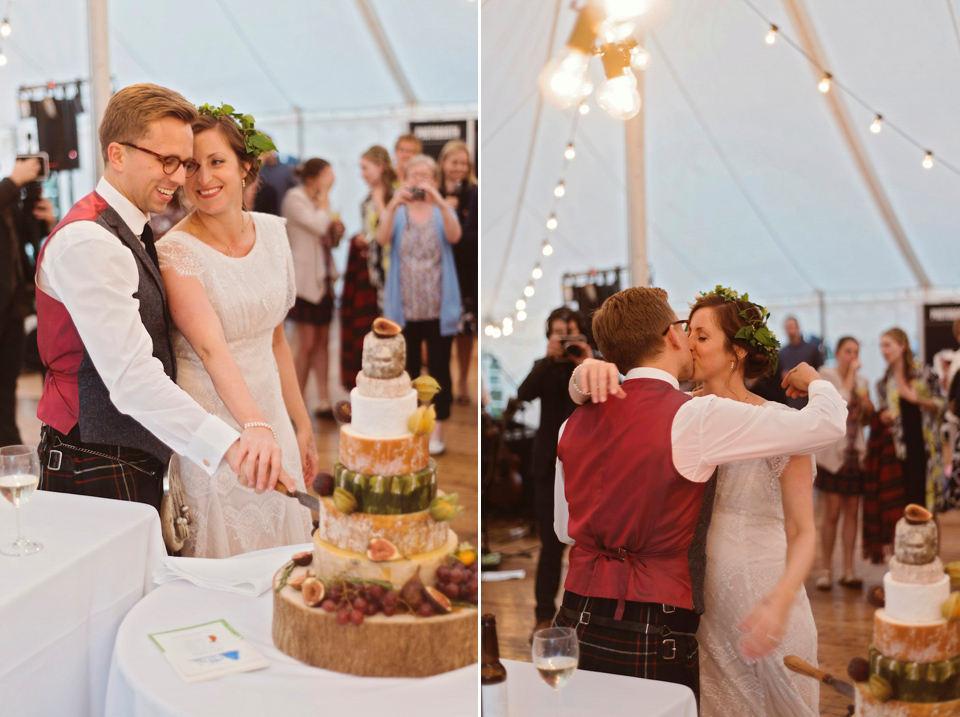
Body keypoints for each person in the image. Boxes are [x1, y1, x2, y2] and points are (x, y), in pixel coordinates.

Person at [554, 287, 846, 706]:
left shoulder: (765, 422)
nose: (689, 342)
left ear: (737, 352)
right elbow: (636, 394)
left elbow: (803, 530)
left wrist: (779, 602)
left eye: (702, 335)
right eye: (686, 331)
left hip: (762, 596)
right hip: (697, 608)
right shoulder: (686, 412)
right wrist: (586, 373)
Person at [35, 84, 285, 512]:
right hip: (91, 456)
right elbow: (132, 380)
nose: (178, 177)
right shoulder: (88, 241)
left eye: (183, 163)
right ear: (117, 155)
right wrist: (231, 446)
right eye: (166, 161)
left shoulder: (132, 225)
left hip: (133, 452)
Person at [154, 104, 316, 557]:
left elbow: (277, 341)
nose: (203, 178)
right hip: (214, 427)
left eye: (216, 161)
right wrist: (253, 428)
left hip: (270, 417)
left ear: (245, 166)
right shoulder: (175, 253)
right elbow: (210, 349)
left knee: (285, 563)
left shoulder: (274, 233)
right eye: (191, 165)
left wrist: (299, 425)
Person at [377, 154, 461, 455]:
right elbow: (381, 237)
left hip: (439, 306)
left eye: (426, 176)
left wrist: (439, 200)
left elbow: (456, 235)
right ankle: (410, 425)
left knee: (439, 370)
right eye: (414, 175)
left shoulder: (442, 210)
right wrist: (391, 204)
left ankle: (437, 429)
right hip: (405, 307)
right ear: (405, 179)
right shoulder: (398, 211)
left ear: (435, 180)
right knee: (408, 370)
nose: (419, 181)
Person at [515, 307, 591, 640]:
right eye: (558, 333)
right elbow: (523, 394)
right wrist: (547, 360)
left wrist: (585, 362)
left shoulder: (590, 368)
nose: (564, 340)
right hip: (548, 466)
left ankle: (580, 616)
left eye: (570, 333)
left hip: (585, 465)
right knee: (549, 545)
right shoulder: (542, 368)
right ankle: (543, 615)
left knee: (585, 546)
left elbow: (613, 397)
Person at [282, 158, 345, 418]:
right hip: (305, 281)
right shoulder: (294, 198)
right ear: (312, 178)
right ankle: (295, 405)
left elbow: (328, 237)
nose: (331, 182)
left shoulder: (318, 200)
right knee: (306, 343)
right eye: (327, 177)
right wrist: (326, 202)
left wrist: (337, 230)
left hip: (325, 280)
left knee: (322, 341)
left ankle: (323, 399)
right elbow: (318, 224)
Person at [0, 157, 55, 445]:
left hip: (11, 308)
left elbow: (15, 239)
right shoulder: (5, 188)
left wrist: (45, 223)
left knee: (6, 392)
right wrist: (12, 182)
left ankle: (9, 457)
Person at [814, 336, 873, 591]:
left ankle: (849, 570)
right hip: (831, 455)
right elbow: (841, 404)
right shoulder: (825, 375)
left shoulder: (863, 382)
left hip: (853, 455)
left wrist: (869, 405)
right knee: (831, 514)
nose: (852, 356)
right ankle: (826, 570)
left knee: (852, 514)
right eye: (848, 351)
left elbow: (866, 419)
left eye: (856, 352)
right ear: (837, 353)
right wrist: (851, 376)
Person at [876, 328, 945, 511]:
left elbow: (942, 403)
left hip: (926, 449)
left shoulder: (924, 372)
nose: (884, 351)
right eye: (881, 346)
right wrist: (883, 416)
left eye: (887, 345)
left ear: (902, 346)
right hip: (900, 452)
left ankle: (930, 541)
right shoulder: (884, 382)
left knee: (928, 508)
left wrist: (917, 400)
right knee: (905, 507)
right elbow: (886, 411)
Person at [438, 140, 478, 405]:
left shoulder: (474, 192)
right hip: (438, 270)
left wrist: (456, 227)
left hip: (464, 271)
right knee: (441, 331)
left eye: (464, 163)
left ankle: (463, 380)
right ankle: (444, 381)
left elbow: (472, 234)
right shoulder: (435, 192)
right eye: (455, 162)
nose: (460, 168)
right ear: (444, 163)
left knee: (464, 331)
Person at [778, 316, 823, 409]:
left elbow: (821, 370)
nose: (790, 330)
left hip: (810, 397)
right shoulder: (782, 353)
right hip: (791, 399)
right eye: (788, 327)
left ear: (797, 327)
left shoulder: (812, 349)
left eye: (792, 326)